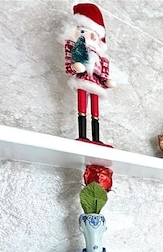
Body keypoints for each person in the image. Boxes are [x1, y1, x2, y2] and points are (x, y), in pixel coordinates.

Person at [64, 3, 115, 145]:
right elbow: (69, 65)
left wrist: (106, 81)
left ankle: (96, 138)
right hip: (82, 80)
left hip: (96, 84)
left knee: (95, 112)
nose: (91, 37)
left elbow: (104, 72)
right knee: (82, 109)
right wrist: (76, 67)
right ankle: (82, 135)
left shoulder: (100, 58)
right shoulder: (75, 49)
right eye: (85, 32)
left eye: (94, 35)